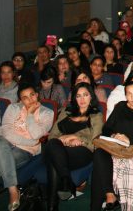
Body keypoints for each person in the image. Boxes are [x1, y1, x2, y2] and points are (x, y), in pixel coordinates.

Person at [0, 82, 53, 211]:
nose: (30, 100)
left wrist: (30, 115)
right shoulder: (13, 107)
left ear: (37, 95)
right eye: (25, 98)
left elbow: (36, 133)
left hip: (23, 151)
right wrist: (32, 142)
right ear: (20, 100)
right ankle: (13, 189)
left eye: (32, 95)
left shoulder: (47, 113)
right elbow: (6, 132)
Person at [90, 81, 133, 211]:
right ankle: (109, 195)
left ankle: (123, 205)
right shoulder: (120, 107)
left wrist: (129, 140)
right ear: (125, 95)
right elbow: (106, 128)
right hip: (117, 146)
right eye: (129, 94)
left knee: (112, 165)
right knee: (99, 153)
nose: (132, 97)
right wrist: (114, 135)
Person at [43, 82, 103, 210]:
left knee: (54, 160)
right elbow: (52, 136)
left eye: (85, 95)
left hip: (81, 151)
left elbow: (95, 141)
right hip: (58, 148)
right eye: (78, 96)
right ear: (74, 98)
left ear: (91, 96)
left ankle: (52, 206)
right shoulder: (66, 112)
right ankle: (66, 180)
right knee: (53, 146)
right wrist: (64, 140)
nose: (82, 99)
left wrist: (77, 139)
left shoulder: (96, 115)